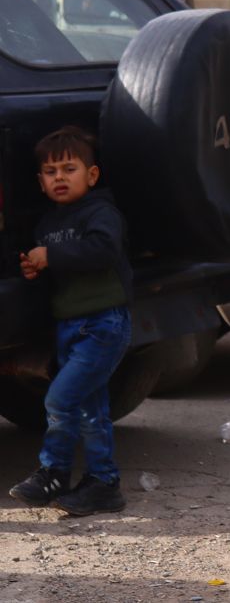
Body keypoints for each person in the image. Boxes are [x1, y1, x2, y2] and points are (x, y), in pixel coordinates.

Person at [7, 127, 132, 517]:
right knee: (90, 410)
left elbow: (103, 251)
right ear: (40, 182)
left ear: (91, 176)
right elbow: (59, 266)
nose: (59, 177)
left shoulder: (101, 213)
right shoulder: (47, 223)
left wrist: (53, 255)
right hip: (69, 328)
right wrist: (36, 267)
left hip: (103, 324)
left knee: (60, 399)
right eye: (49, 171)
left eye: (68, 168)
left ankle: (53, 472)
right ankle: (102, 484)